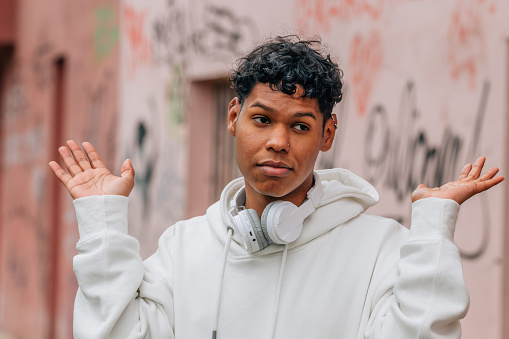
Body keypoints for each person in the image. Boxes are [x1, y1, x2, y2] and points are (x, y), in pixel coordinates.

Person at [49, 36, 504, 339]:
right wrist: (104, 228)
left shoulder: (383, 251)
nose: (278, 142)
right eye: (262, 119)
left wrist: (431, 232)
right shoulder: (183, 248)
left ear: (327, 135)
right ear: (233, 118)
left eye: (301, 126)